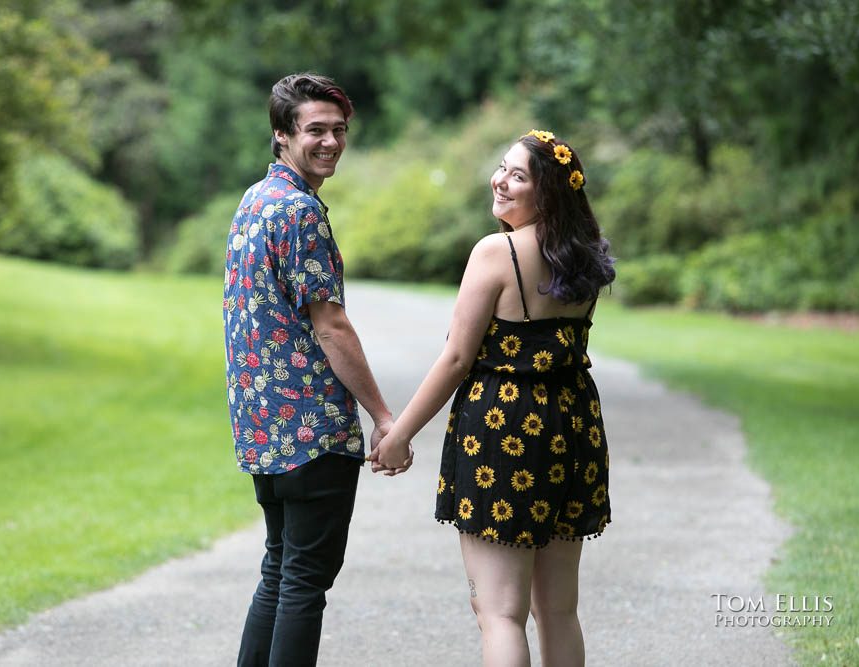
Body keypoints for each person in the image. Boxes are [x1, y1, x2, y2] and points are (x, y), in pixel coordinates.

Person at [372, 129, 616, 666]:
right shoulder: (583, 258)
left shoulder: (497, 252)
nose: (500, 180)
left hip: (506, 432)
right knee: (557, 610)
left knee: (500, 613)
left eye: (518, 175)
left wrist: (400, 433)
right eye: (502, 168)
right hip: (573, 425)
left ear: (547, 194)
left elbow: (457, 359)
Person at [223, 72, 409, 667]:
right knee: (303, 581)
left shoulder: (254, 201)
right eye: (315, 130)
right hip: (312, 432)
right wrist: (385, 417)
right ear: (282, 134)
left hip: (262, 430)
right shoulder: (301, 213)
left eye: (339, 130)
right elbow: (330, 325)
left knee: (281, 569)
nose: (331, 142)